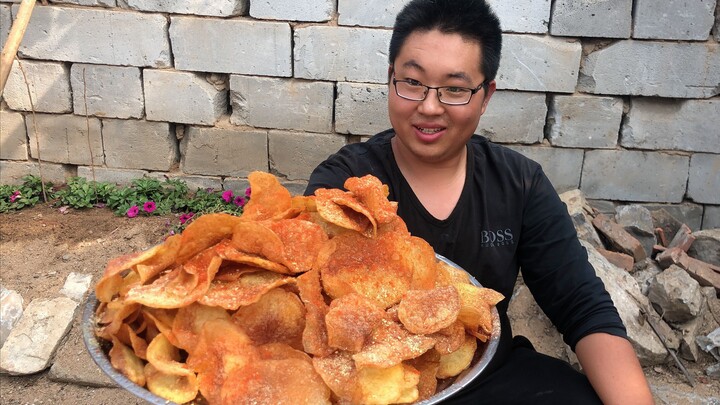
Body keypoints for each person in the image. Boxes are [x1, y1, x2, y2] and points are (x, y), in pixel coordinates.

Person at [305, 0, 654, 403]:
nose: (430, 106)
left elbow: (581, 306)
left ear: (485, 96)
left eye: (455, 88)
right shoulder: (342, 188)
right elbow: (306, 302)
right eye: (413, 82)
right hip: (370, 381)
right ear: (390, 79)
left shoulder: (519, 184)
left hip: (485, 374)